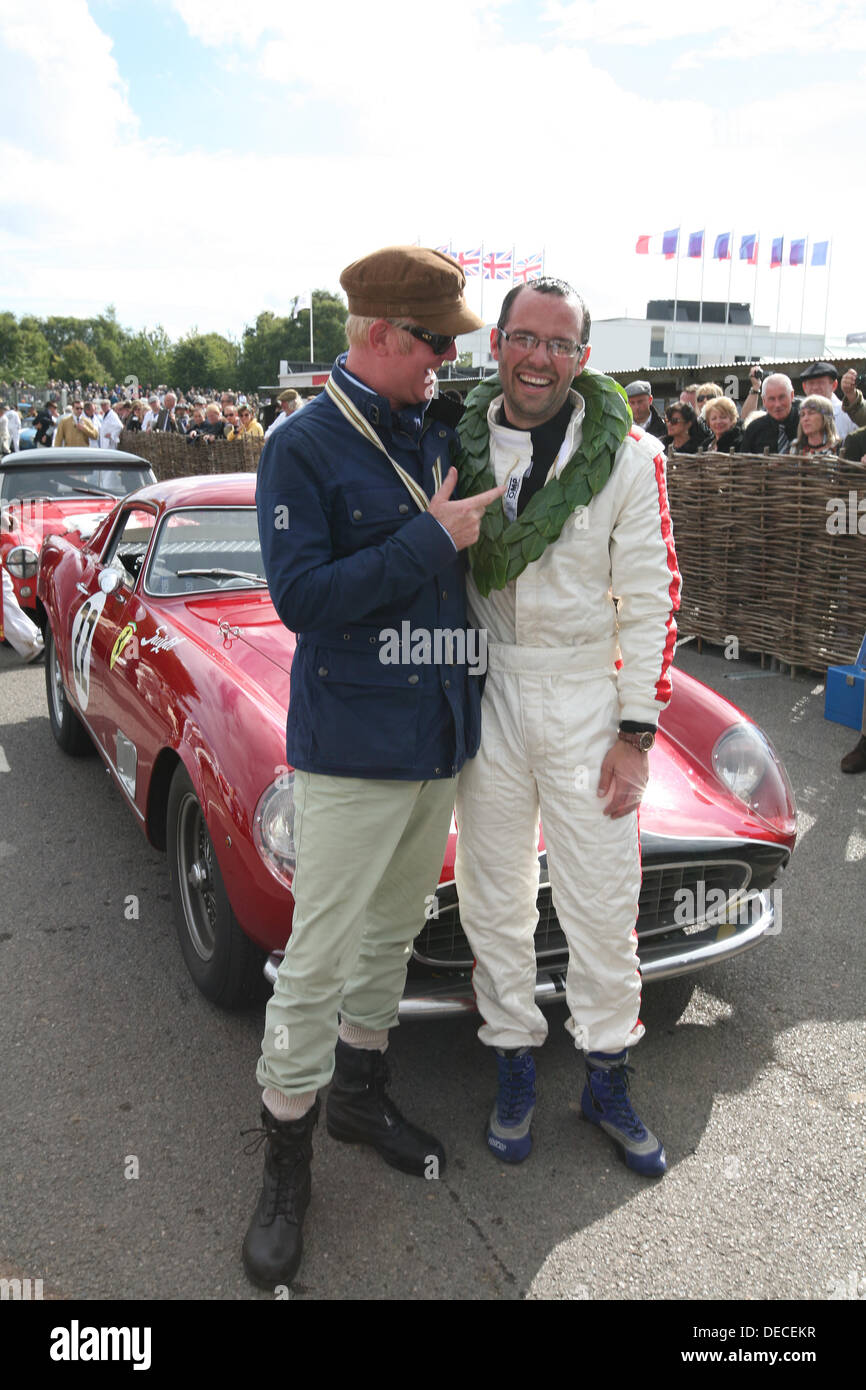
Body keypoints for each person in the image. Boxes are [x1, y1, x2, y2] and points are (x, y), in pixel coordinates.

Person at [245, 244, 502, 1290]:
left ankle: (357, 1090)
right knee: (317, 957)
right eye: (437, 342)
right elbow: (302, 599)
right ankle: (285, 1159)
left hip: (436, 730)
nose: (449, 359)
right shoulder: (300, 445)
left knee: (392, 936)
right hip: (352, 744)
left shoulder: (431, 422)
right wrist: (428, 542)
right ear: (379, 337)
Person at [452, 277, 680, 1177]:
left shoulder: (634, 455)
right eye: (524, 338)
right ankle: (513, 1057)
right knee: (494, 894)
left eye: (559, 343)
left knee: (602, 900)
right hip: (491, 692)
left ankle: (605, 1071)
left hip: (591, 697)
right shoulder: (455, 444)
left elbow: (655, 599)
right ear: (497, 344)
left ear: (583, 358)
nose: (539, 357)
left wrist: (637, 733)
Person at [799, 362, 866, 444]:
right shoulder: (800, 415)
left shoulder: (847, 414)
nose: (815, 388)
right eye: (811, 383)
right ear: (804, 387)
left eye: (821, 382)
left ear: (834, 385)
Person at [738, 374, 798, 453]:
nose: (777, 404)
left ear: (792, 395)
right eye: (771, 399)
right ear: (764, 401)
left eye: (782, 397)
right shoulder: (754, 429)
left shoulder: (805, 424)